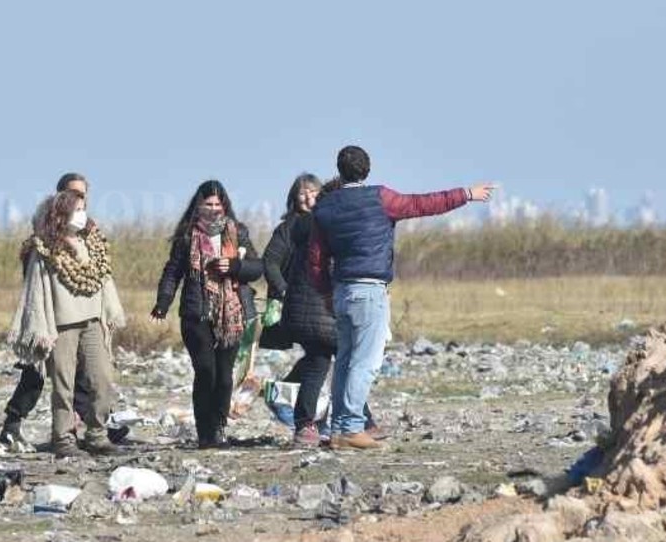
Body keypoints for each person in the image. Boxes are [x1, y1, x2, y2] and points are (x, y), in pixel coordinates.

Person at [309, 146, 494, 451]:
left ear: (339, 171)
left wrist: (326, 293)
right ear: (367, 170)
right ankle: (351, 428)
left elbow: (316, 260)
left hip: (342, 291)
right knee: (365, 363)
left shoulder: (325, 207)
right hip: (370, 290)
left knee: (344, 361)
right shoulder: (380, 198)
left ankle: (339, 428)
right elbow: (423, 204)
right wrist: (466, 194)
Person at [0, 173, 129, 452]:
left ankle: (97, 433)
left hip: (93, 321)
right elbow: (36, 291)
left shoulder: (93, 243)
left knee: (102, 380)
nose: (82, 214)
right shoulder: (44, 247)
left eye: (84, 206)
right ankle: (63, 438)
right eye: (76, 208)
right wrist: (41, 328)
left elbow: (103, 280)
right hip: (61, 324)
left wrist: (109, 314)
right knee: (61, 385)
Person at [260, 174, 379, 446]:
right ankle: (351, 422)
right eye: (302, 192)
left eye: (313, 191)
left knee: (321, 361)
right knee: (334, 361)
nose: (308, 197)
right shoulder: (299, 226)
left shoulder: (324, 224)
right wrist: (284, 291)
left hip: (318, 306)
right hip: (306, 304)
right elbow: (271, 262)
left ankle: (307, 417)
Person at [151, 180, 263, 448]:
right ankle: (205, 433)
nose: (213, 209)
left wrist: (235, 266)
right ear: (198, 206)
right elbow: (172, 272)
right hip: (196, 313)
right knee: (205, 372)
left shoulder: (238, 232)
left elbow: (257, 268)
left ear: (224, 206)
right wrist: (163, 302)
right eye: (207, 204)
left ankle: (219, 427)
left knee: (224, 377)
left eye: (217, 204)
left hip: (232, 315)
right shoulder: (187, 237)